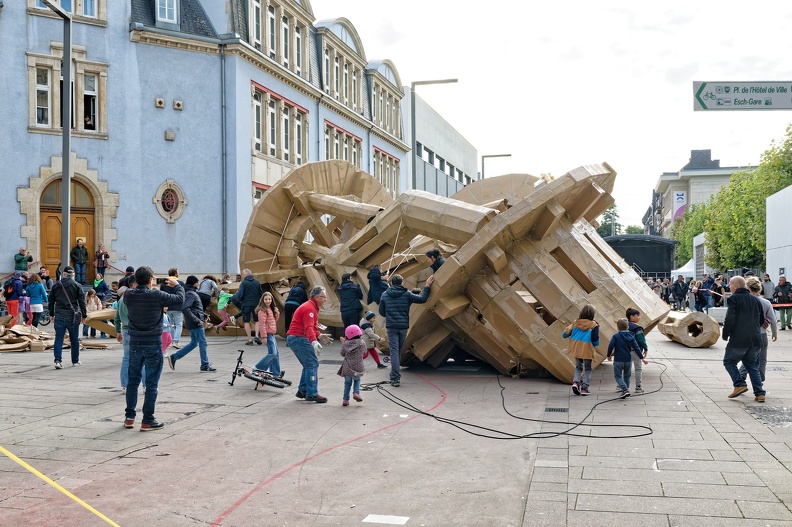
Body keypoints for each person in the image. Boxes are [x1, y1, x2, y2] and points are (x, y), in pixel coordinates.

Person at [124, 267, 184, 431]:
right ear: (151, 279)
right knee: (151, 383)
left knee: (132, 381)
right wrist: (177, 285)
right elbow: (179, 299)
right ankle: (147, 420)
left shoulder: (128, 295)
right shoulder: (156, 295)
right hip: (152, 342)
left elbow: (128, 290)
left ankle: (129, 417)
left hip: (135, 342)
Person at [378, 274, 434, 387]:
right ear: (402, 282)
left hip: (391, 327)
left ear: (391, 283)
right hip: (403, 327)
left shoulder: (385, 295)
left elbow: (382, 312)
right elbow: (422, 299)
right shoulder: (407, 294)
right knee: (398, 351)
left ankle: (395, 378)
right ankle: (395, 376)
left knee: (394, 351)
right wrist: (427, 286)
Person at [722, 275, 766, 402]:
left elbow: (730, 318)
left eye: (731, 285)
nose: (729, 287)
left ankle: (739, 384)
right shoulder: (756, 299)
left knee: (729, 361)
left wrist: (725, 334)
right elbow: (761, 319)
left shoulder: (734, 299)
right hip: (756, 338)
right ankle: (760, 393)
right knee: (752, 366)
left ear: (736, 286)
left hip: (739, 339)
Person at [286, 286, 331, 403]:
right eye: (324, 297)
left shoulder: (311, 306)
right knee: (312, 364)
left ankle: (303, 390)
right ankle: (312, 393)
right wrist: (314, 340)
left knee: (308, 365)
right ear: (317, 297)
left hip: (296, 338)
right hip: (299, 338)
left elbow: (311, 326)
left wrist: (319, 335)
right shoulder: (309, 308)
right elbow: (308, 327)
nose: (325, 300)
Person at [167, 275, 215, 372]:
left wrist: (204, 315)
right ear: (194, 283)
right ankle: (204, 365)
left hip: (193, 321)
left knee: (194, 343)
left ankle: (174, 357)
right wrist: (197, 320)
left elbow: (194, 308)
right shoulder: (191, 294)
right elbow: (185, 308)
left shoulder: (189, 292)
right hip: (196, 323)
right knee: (203, 343)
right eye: (197, 282)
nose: (198, 283)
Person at [739, 277, 778, 384]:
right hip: (762, 333)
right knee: (762, 358)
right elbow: (773, 321)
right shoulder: (766, 302)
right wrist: (774, 333)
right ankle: (759, 380)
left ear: (747, 288)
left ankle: (741, 375)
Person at [49, 266, 87, 369]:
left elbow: (51, 301)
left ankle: (57, 361)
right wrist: (84, 315)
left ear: (64, 274)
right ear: (73, 275)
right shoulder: (77, 285)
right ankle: (75, 360)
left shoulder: (56, 285)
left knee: (59, 338)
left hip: (59, 314)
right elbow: (82, 302)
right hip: (72, 316)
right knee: (74, 339)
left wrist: (51, 314)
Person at [563, 304, 600, 396]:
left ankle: (575, 383)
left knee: (578, 367)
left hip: (576, 348)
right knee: (588, 368)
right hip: (587, 349)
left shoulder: (575, 323)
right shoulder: (594, 325)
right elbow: (595, 340)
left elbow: (564, 334)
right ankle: (584, 388)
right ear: (592, 314)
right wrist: (597, 343)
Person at [607, 318, 641, 399]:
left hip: (618, 359)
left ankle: (625, 389)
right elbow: (636, 347)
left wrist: (608, 355)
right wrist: (641, 357)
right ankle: (625, 391)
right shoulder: (631, 336)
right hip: (628, 359)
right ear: (628, 327)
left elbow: (611, 346)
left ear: (618, 327)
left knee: (618, 376)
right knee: (627, 376)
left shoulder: (616, 336)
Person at [113, 285, 138, 394]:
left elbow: (116, 318)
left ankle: (124, 385)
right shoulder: (132, 299)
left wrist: (118, 332)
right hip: (135, 330)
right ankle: (145, 385)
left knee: (126, 358)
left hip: (125, 330)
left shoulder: (120, 301)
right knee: (141, 358)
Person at [252, 292, 283, 378]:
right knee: (272, 353)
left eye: (269, 299)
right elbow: (262, 325)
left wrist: (277, 313)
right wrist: (264, 337)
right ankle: (258, 368)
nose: (268, 301)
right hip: (268, 334)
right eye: (266, 299)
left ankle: (275, 373)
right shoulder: (262, 311)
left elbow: (273, 321)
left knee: (276, 354)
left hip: (272, 334)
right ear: (262, 300)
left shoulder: (270, 309)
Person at [231, 269, 262, 345]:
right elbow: (260, 293)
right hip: (256, 304)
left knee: (246, 321)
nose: (242, 276)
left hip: (246, 304)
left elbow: (240, 294)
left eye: (242, 275)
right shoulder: (257, 282)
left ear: (246, 275)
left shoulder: (244, 283)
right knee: (257, 320)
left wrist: (235, 300)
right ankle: (257, 336)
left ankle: (250, 340)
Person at [338, 324, 366, 406]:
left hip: (347, 367)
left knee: (347, 383)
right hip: (358, 366)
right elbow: (365, 352)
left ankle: (345, 400)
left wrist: (343, 343)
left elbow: (342, 354)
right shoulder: (362, 343)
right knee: (357, 380)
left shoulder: (345, 343)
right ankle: (356, 393)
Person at [160, 268, 185, 349]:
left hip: (167, 306)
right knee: (178, 324)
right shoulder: (180, 283)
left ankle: (171, 340)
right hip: (177, 306)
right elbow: (182, 294)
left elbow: (161, 294)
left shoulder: (164, 283)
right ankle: (175, 341)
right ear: (175, 274)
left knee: (170, 324)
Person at [626, 308, 649, 393]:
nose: (639, 317)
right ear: (632, 317)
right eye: (638, 316)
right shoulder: (638, 328)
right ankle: (638, 387)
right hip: (635, 351)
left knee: (626, 369)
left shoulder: (624, 325)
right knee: (638, 368)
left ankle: (622, 386)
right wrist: (645, 348)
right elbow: (641, 340)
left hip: (625, 350)